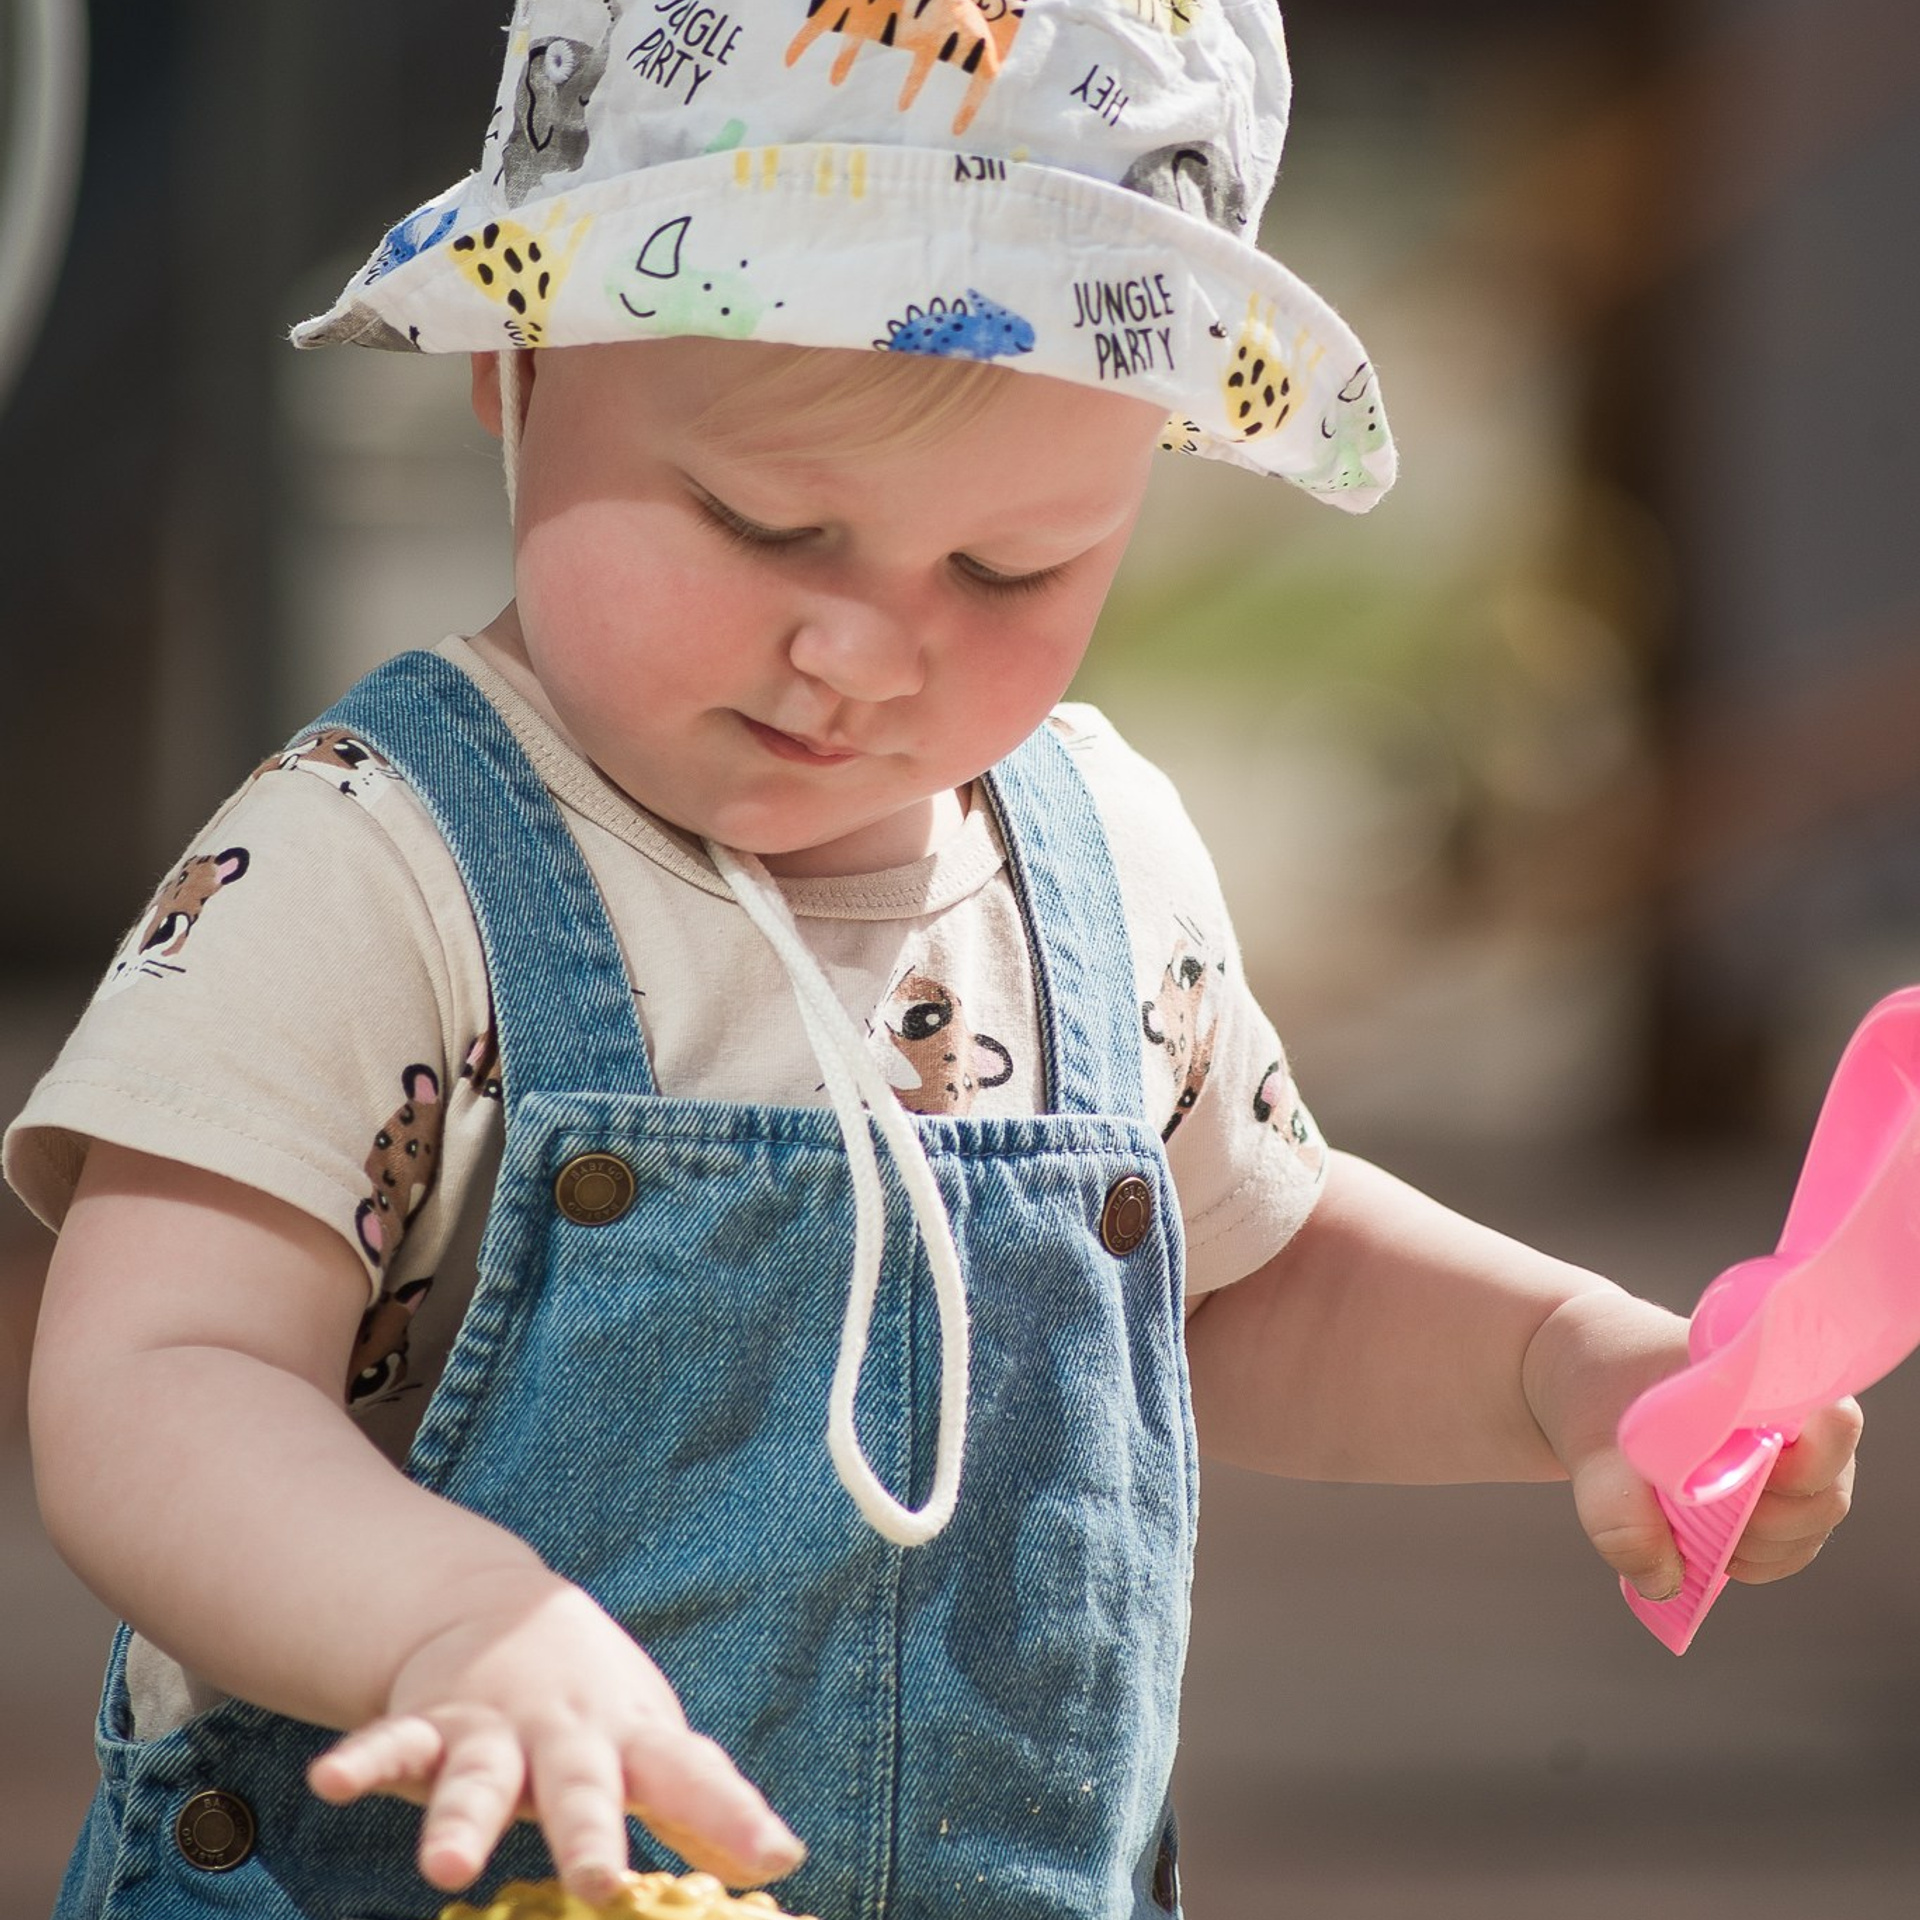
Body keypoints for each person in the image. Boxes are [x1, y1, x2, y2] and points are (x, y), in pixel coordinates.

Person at [7, 5, 1859, 1918]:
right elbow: (159, 1373)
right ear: (523, 365)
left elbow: (1228, 1277)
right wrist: (437, 1619)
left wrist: (1567, 1362)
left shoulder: (1095, 858)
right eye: (766, 524)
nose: (872, 654)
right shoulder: (375, 866)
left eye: (1009, 573)